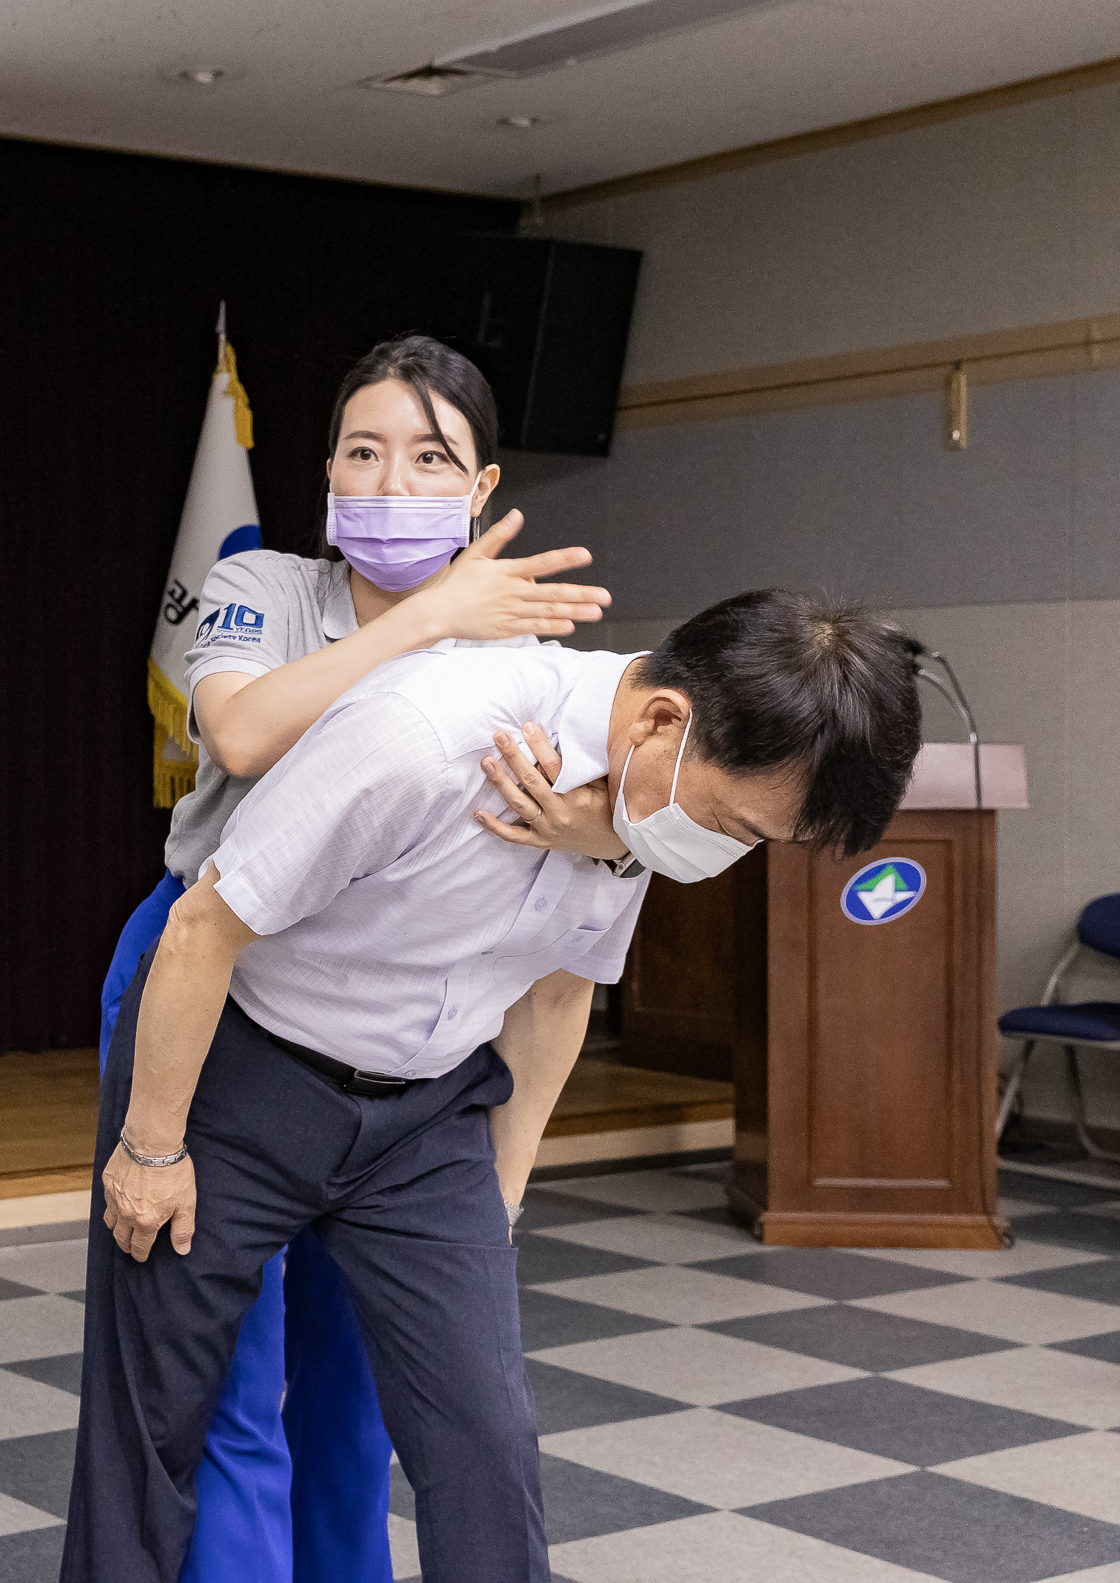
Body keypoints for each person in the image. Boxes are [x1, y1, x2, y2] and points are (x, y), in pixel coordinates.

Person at [67, 587, 924, 1583]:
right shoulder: (423, 734)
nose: (726, 852)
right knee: (155, 1423)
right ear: (663, 721)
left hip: (426, 1114)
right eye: (734, 823)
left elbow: (558, 996)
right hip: (242, 1075)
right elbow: (203, 925)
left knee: (485, 1436)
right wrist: (152, 1145)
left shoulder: (637, 803)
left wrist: (501, 1193)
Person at [99, 335, 619, 1583]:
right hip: (212, 986)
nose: (391, 480)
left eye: (429, 457)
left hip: (393, 1045)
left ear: (482, 485)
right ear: (324, 469)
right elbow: (235, 730)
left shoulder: (525, 648)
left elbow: (590, 862)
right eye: (362, 451)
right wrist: (431, 617)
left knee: (354, 1389)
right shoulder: (265, 586)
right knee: (221, 1371)